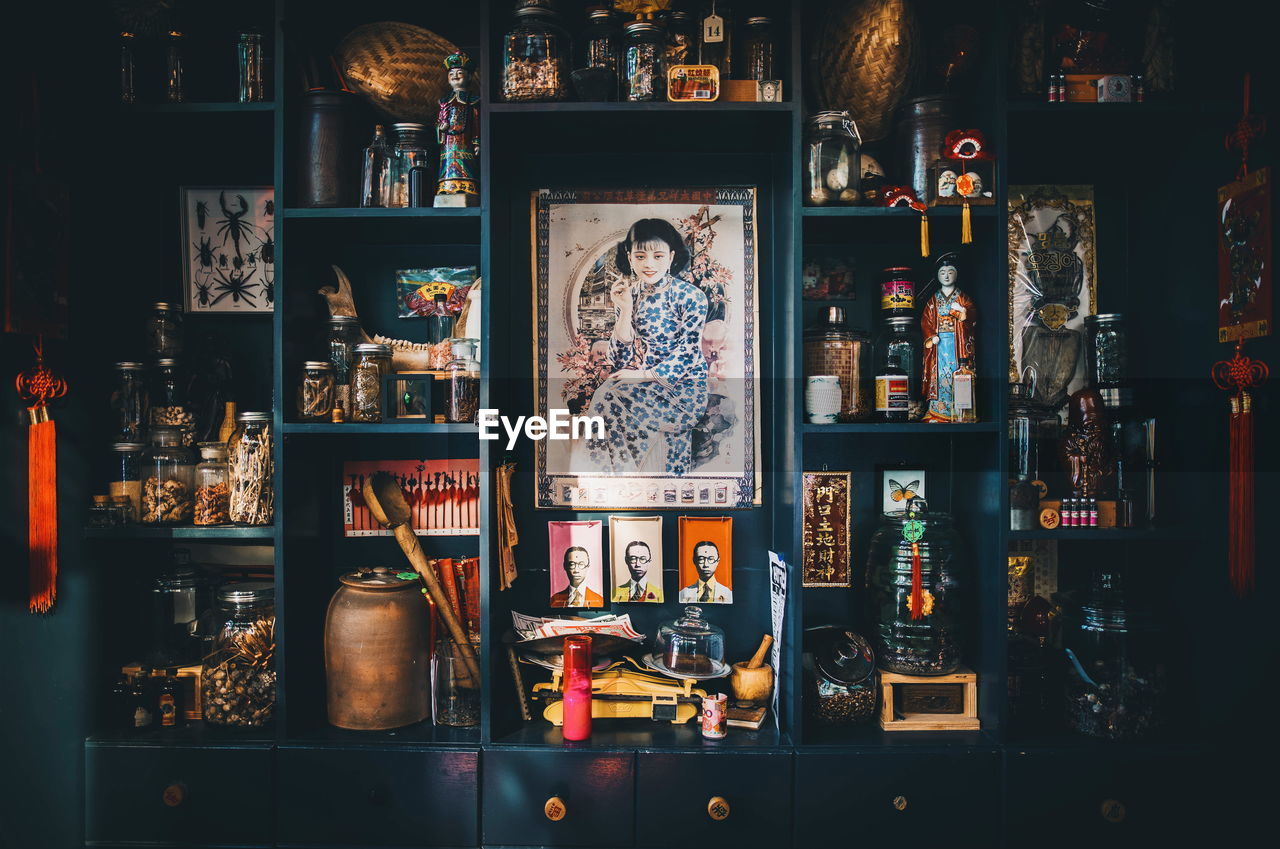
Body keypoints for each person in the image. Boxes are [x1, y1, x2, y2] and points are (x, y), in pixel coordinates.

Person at [585, 219, 709, 476]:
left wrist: (642, 375)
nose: (649, 264)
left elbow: (688, 352)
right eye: (640, 256)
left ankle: (616, 475)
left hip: (685, 390)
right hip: (650, 386)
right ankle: (618, 476)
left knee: (607, 395)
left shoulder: (691, 296)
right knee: (607, 394)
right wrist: (625, 309)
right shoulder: (630, 294)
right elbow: (620, 359)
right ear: (630, 258)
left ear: (671, 257)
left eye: (658, 255)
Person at [921, 252, 977, 422]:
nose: (946, 276)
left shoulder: (963, 297)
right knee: (939, 375)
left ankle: (961, 413)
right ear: (937, 275)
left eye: (950, 272)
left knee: (959, 373)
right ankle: (937, 412)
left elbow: (972, 315)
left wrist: (963, 312)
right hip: (940, 344)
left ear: (957, 274)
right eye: (942, 272)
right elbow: (925, 320)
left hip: (957, 342)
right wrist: (931, 336)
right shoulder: (933, 300)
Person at [434, 52, 480, 204]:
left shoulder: (472, 101)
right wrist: (441, 127)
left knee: (465, 163)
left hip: (464, 140)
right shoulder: (444, 101)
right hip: (448, 142)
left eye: (460, 73)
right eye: (451, 73)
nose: (455, 76)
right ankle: (446, 187)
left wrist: (476, 141)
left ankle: (466, 187)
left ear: (468, 77)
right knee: (447, 164)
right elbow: (438, 122)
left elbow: (476, 121)